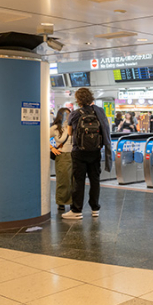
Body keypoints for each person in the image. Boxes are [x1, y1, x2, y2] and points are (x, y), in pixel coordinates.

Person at [63, 88, 111, 220]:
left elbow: (69, 133)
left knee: (78, 181)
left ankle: (76, 210)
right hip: (96, 151)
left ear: (78, 100)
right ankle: (95, 208)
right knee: (95, 180)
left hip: (79, 152)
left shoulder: (75, 114)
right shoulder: (99, 111)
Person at [50, 108, 72, 211]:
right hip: (62, 155)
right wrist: (52, 148)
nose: (67, 117)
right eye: (65, 114)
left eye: (68, 114)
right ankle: (61, 202)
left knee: (74, 180)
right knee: (63, 180)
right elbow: (42, 137)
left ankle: (73, 201)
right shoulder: (55, 128)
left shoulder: (73, 127)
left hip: (74, 155)